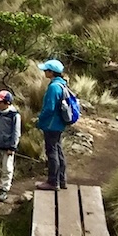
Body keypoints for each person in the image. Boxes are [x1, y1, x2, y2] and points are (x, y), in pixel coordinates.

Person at [36, 58, 70, 191]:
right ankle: (62, 180)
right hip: (59, 124)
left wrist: (40, 120)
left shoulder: (53, 87)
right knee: (59, 150)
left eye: (46, 70)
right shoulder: (62, 84)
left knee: (52, 152)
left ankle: (52, 182)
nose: (44, 72)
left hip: (51, 125)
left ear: (52, 72)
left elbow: (49, 108)